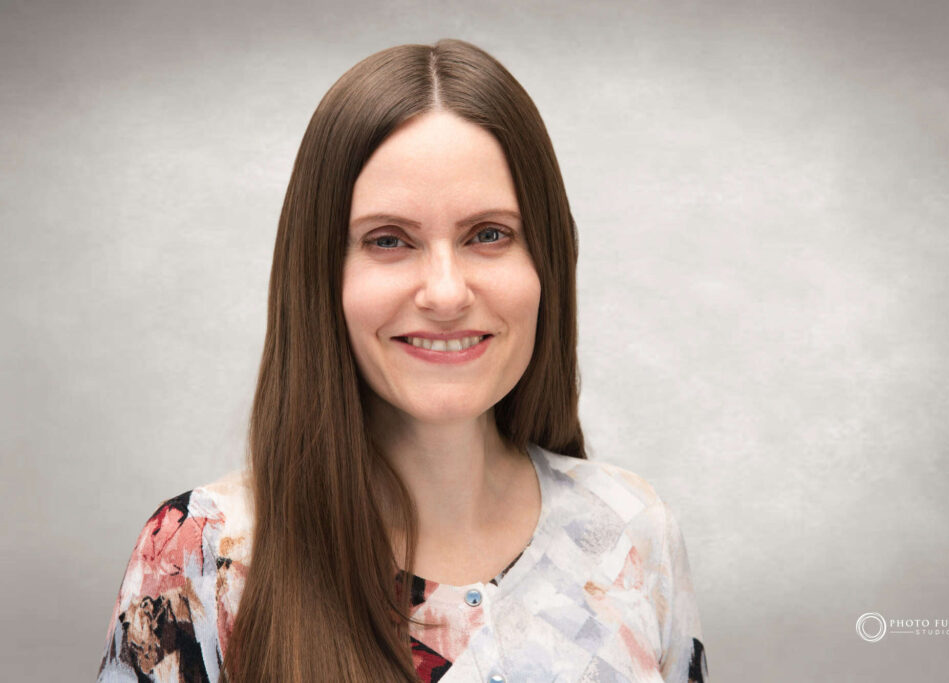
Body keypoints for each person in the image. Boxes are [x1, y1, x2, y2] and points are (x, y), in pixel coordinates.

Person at [96, 39, 707, 682]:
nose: (445, 293)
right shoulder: (200, 554)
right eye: (388, 240)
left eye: (489, 234)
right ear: (320, 275)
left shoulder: (632, 533)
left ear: (546, 263)